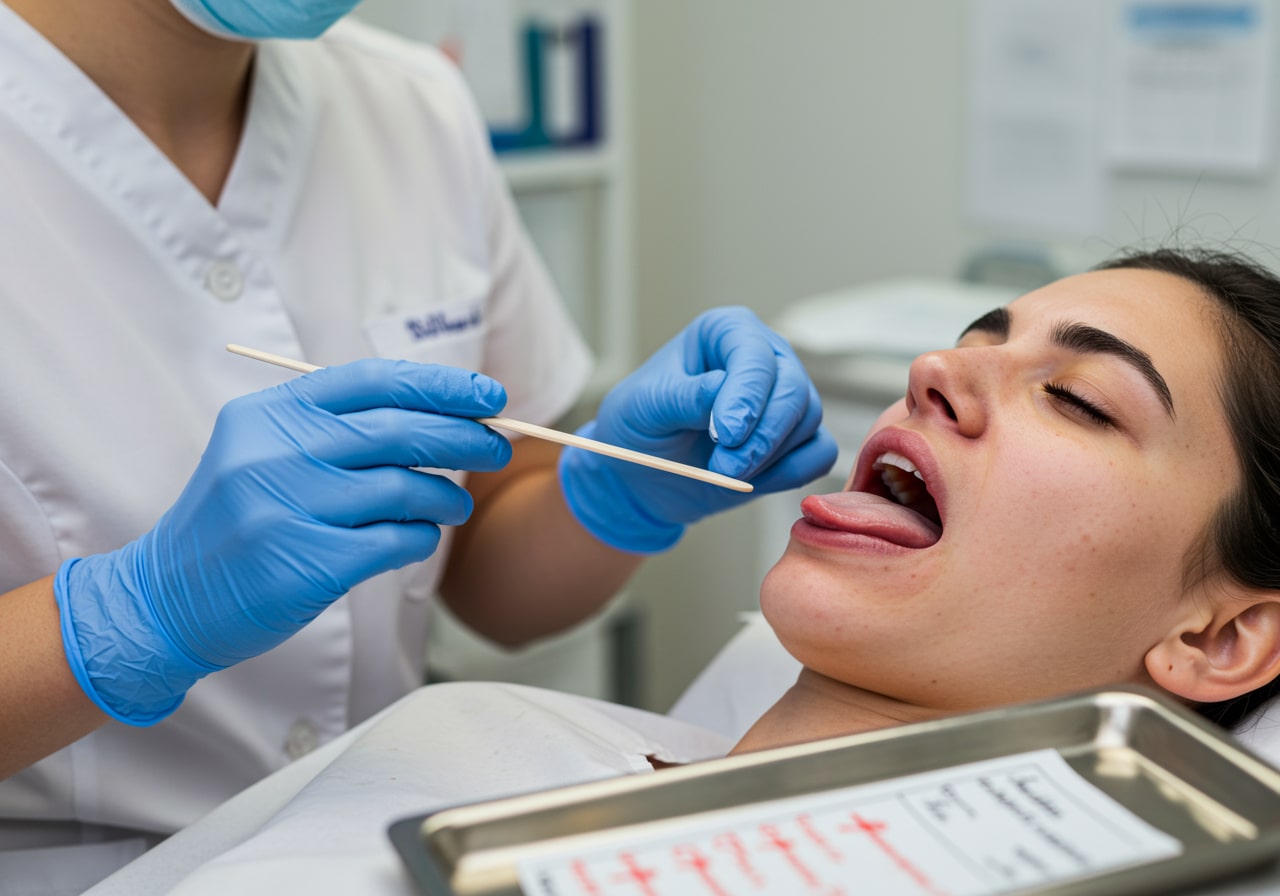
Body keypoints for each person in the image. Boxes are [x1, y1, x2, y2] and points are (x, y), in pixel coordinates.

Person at [83, 244, 1280, 896]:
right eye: (974, 340)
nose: (933, 371)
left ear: (1217, 636)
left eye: (1075, 397)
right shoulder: (477, 736)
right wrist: (132, 616)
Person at [0, 0, 838, 889]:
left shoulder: (412, 103)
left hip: (378, 846)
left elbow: (485, 575)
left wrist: (610, 494)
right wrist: (132, 619)